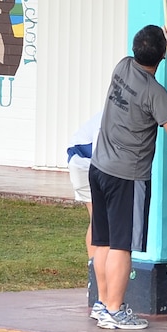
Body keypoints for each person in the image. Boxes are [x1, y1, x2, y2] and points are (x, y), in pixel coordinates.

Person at [87, 25, 167, 332]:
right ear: (161, 55)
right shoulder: (155, 93)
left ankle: (103, 304)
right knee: (122, 246)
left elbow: (149, 54)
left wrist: (162, 43)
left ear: (135, 49)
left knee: (103, 241)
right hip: (127, 177)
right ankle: (115, 310)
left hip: (99, 167)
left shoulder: (122, 66)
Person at [66, 112, 100, 311]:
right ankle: (96, 282)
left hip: (83, 159)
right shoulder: (116, 115)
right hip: (86, 162)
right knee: (100, 221)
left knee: (97, 220)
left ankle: (96, 281)